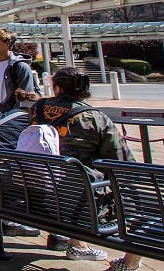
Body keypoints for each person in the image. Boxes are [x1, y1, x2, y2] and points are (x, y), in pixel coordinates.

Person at [22, 67, 140, 270]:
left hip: (37, 195)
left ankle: (78, 244)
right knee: (136, 202)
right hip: (81, 203)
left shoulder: (37, 109)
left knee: (71, 180)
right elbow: (123, 163)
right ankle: (130, 262)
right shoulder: (95, 118)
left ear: (57, 88)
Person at [0, 28, 38, 121]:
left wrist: (13, 119)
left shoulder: (20, 67)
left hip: (14, 120)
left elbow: (25, 98)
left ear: (8, 43)